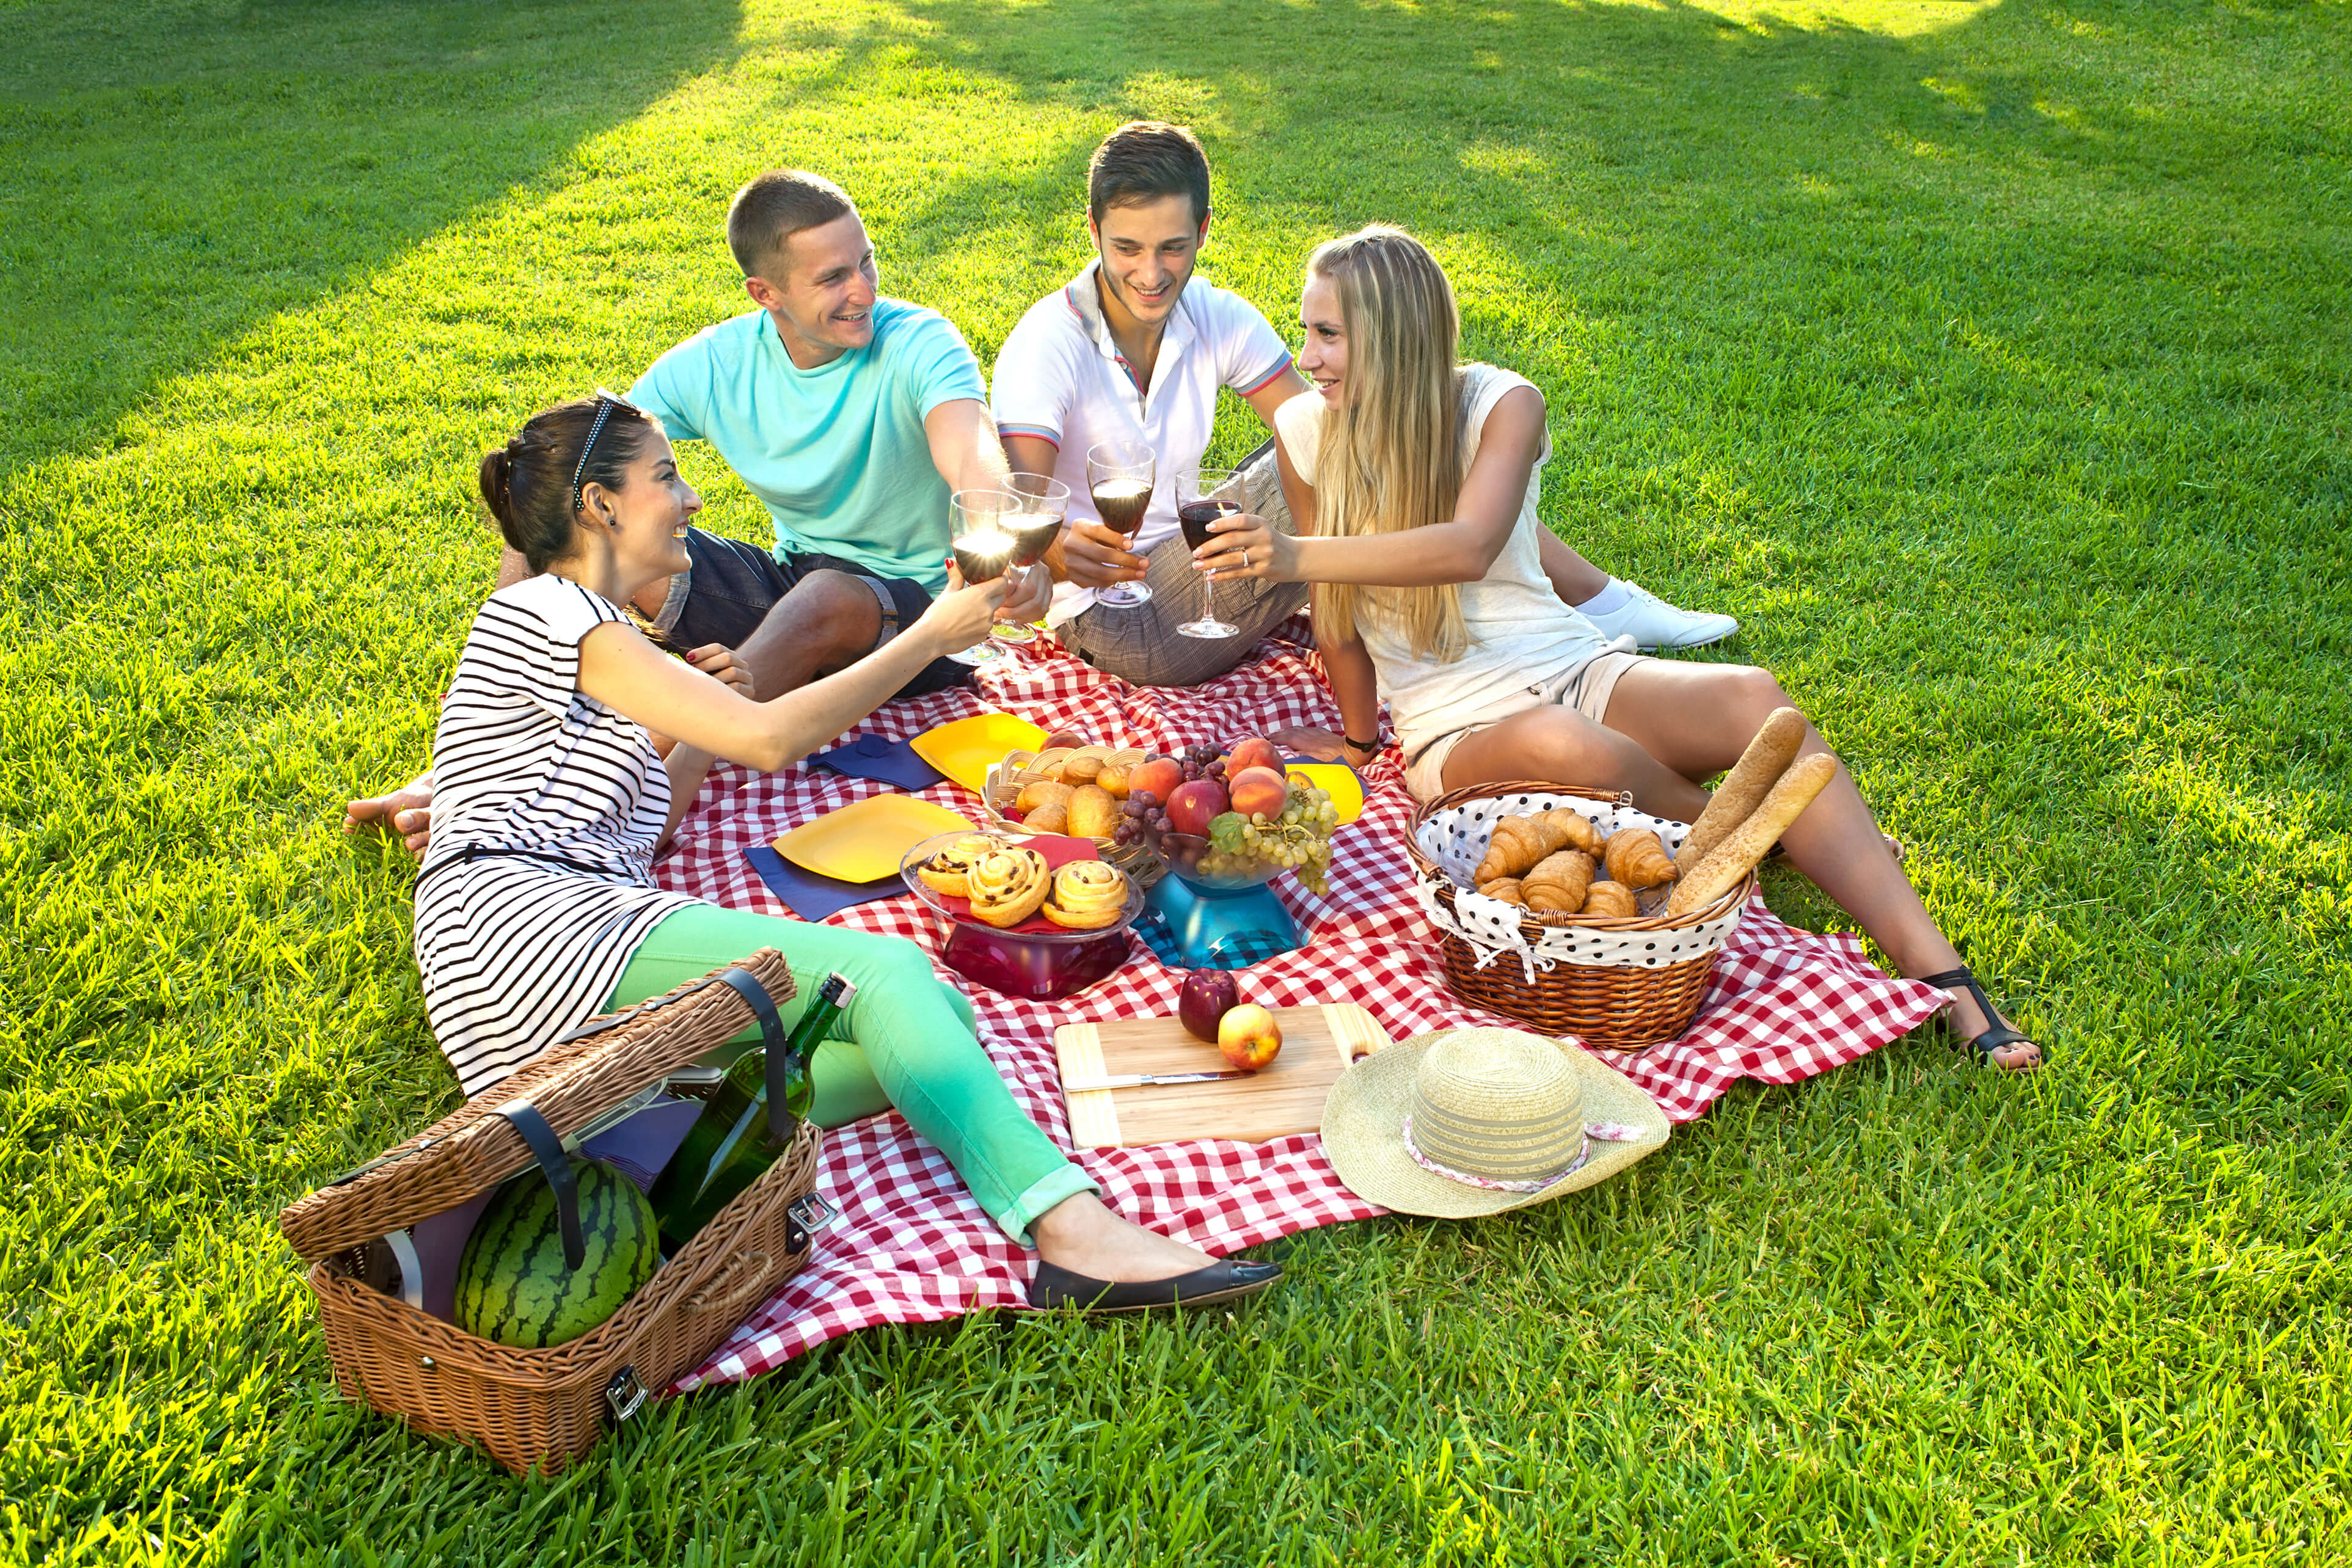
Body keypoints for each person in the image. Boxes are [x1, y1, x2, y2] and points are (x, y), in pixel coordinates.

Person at [414, 392, 1280, 1310]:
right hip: (525, 927)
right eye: (665, 476)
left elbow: (652, 819)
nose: (692, 500)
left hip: (517, 991)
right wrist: (927, 634)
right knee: (881, 973)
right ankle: (1069, 1227)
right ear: (599, 505)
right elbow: (776, 740)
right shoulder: (554, 610)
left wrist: (704, 723)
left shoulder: (606, 636)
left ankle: (646, 1142)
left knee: (930, 1011)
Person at [1198, 227, 2042, 1071]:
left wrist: (1293, 555)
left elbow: (1468, 543)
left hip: (1573, 663)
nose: (1306, 357)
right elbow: (1339, 615)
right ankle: (1767, 833)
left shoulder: (1501, 402)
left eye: (1328, 334)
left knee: (1755, 696)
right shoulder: (1307, 430)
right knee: (1563, 745)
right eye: (1306, 330)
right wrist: (1356, 742)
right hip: (1456, 725)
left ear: (1397, 333)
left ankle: (1945, 977)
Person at [347, 169, 1050, 853]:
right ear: (764, 292)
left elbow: (971, 454)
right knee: (602, 539)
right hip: (792, 581)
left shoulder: (921, 339)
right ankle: (479, 771)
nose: (863, 290)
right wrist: (512, 672)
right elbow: (571, 481)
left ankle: (632, 785)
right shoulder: (714, 363)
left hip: (923, 609)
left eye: (866, 262)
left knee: (827, 597)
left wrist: (992, 544)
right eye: (833, 278)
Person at [990, 120, 1733, 688]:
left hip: (1200, 578)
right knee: (1316, 448)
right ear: (1092, 232)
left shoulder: (1213, 315)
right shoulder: (1046, 343)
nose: (1151, 274)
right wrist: (1060, 547)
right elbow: (1025, 513)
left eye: (1172, 248)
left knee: (1350, 427)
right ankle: (1582, 606)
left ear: (1204, 232)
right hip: (1119, 619)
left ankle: (1571, 604)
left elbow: (1355, 425)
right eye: (1126, 249)